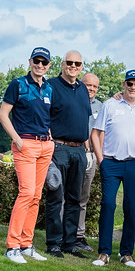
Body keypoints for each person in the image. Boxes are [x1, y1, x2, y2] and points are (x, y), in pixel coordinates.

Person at [90, 70, 135, 268]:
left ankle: (126, 253)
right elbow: (96, 133)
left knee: (131, 207)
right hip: (111, 162)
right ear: (124, 84)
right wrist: (101, 159)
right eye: (130, 84)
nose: (133, 88)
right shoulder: (110, 104)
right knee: (108, 205)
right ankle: (104, 252)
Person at [0, 47, 56, 264]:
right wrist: (18, 140)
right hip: (25, 145)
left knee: (35, 196)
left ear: (48, 65)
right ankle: (12, 246)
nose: (40, 65)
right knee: (25, 194)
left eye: (44, 62)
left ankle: (26, 244)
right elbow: (3, 115)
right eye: (37, 61)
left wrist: (50, 139)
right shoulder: (19, 84)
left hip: (44, 146)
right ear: (30, 61)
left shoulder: (49, 88)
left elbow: (47, 117)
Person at [45, 50, 92, 258]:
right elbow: (44, 116)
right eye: (70, 62)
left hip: (79, 150)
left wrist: (87, 147)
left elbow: (84, 118)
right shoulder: (52, 86)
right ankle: (54, 243)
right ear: (62, 64)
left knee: (75, 198)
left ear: (82, 67)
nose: (74, 66)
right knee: (56, 197)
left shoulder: (83, 88)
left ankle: (69, 243)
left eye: (78, 64)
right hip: (59, 148)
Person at [76, 72, 102, 252]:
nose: (91, 89)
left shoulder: (101, 106)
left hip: (91, 155)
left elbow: (102, 132)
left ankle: (79, 236)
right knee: (66, 196)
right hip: (73, 150)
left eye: (94, 86)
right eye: (88, 85)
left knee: (83, 198)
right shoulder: (74, 98)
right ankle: (61, 235)